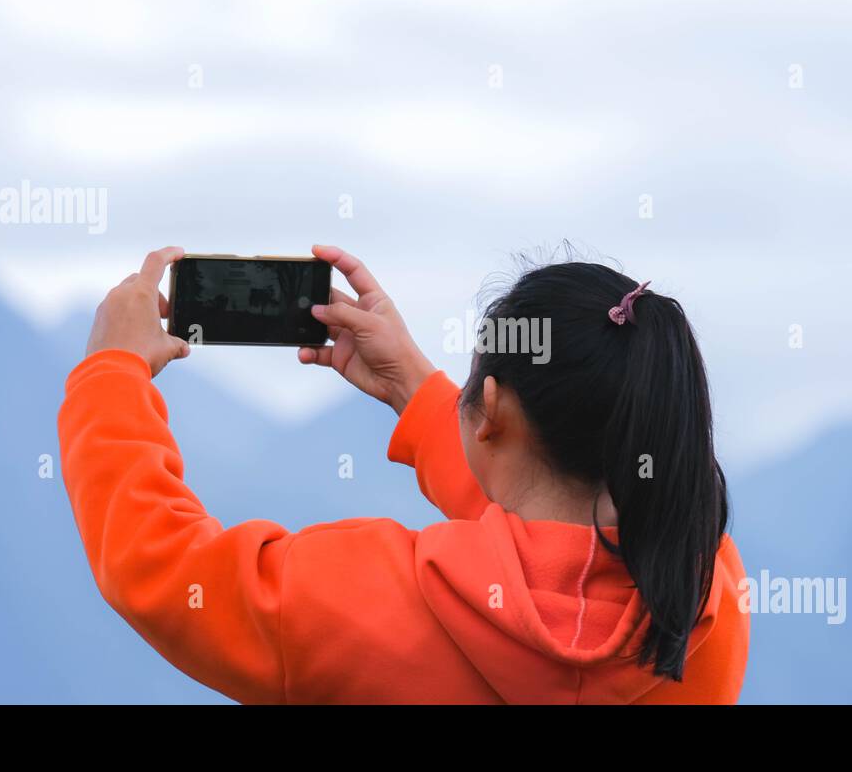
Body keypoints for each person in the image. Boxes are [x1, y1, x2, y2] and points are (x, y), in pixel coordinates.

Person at [58, 245, 749, 703]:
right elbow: (551, 535)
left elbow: (166, 570)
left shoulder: (367, 602)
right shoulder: (701, 594)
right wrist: (415, 393)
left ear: (494, 411)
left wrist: (110, 376)